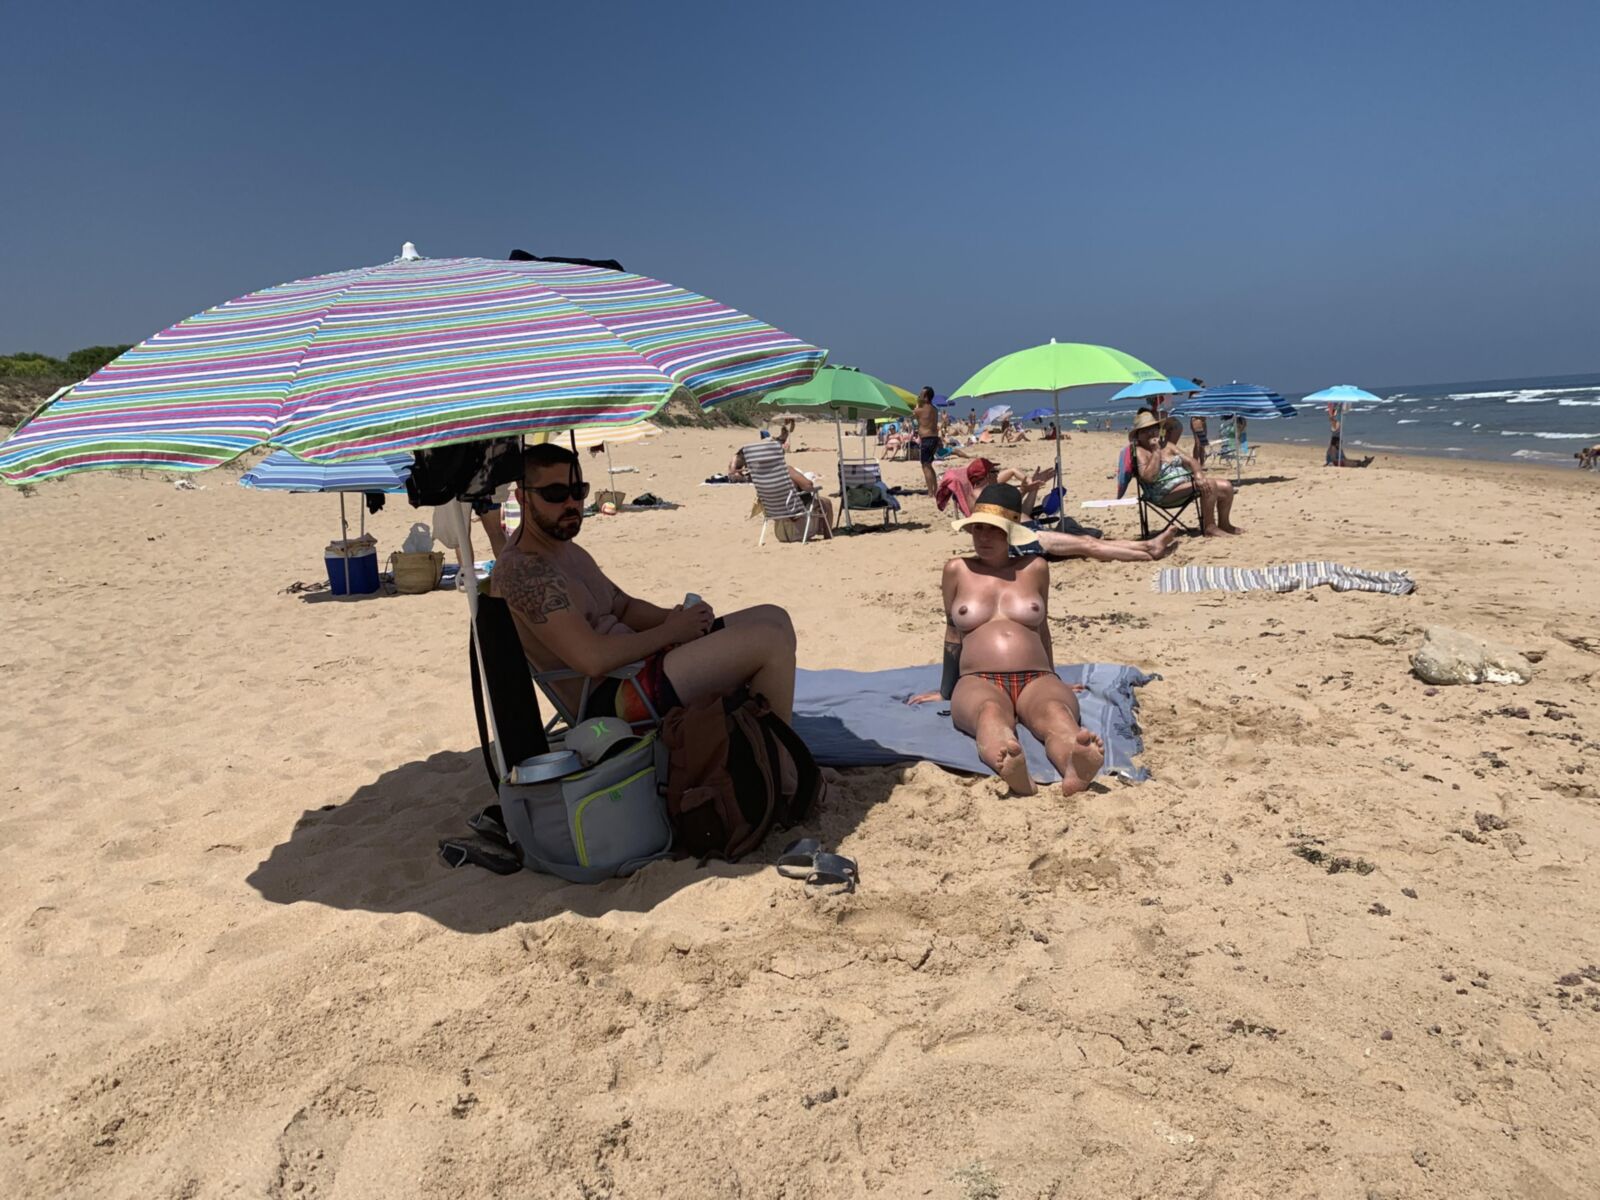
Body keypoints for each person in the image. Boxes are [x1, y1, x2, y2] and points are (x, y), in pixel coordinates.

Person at [492, 443, 799, 721]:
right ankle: (782, 768)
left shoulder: (567, 550)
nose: (571, 503)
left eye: (579, 491)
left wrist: (675, 618)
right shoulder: (523, 570)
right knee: (768, 642)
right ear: (522, 498)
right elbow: (592, 660)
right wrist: (670, 632)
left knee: (774, 617)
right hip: (612, 697)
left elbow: (622, 607)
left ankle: (758, 740)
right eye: (555, 494)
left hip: (641, 666)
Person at [907, 483, 1105, 796]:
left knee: (1056, 712)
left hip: (1037, 677)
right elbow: (952, 632)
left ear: (1011, 532)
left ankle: (1074, 764)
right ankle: (1012, 765)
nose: (984, 538)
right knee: (989, 713)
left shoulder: (1035, 568)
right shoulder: (957, 569)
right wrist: (946, 690)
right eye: (978, 529)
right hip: (978, 679)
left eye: (994, 530)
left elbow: (1042, 631)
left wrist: (1057, 678)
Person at [1132, 412, 1242, 536]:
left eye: (1154, 428)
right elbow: (1148, 477)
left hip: (1184, 484)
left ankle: (1224, 524)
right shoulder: (1140, 452)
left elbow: (1191, 461)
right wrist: (1155, 451)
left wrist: (1198, 474)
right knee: (1210, 484)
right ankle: (1209, 527)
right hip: (1162, 493)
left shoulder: (1168, 445)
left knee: (1227, 486)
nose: (1151, 432)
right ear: (1138, 435)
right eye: (1145, 430)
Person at [915, 387, 942, 495]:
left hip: (926, 439)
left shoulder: (920, 410)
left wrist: (918, 404)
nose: (919, 396)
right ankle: (935, 489)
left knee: (925, 466)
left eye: (921, 394)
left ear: (926, 397)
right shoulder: (934, 409)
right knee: (929, 465)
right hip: (934, 438)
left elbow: (914, 414)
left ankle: (930, 492)